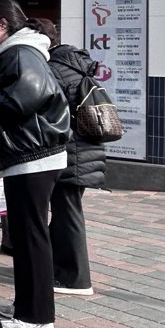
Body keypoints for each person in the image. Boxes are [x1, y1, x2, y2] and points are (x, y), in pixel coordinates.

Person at [0, 0, 71, 328]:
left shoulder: (20, 52)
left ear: (2, 25)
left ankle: (37, 316)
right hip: (30, 155)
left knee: (30, 236)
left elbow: (27, 97)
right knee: (27, 236)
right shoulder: (20, 50)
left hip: (32, 157)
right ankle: (27, 304)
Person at [33, 18, 105, 296]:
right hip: (84, 149)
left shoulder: (53, 69)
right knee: (66, 212)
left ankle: (74, 278)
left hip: (69, 151)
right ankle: (58, 268)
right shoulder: (73, 63)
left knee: (67, 214)